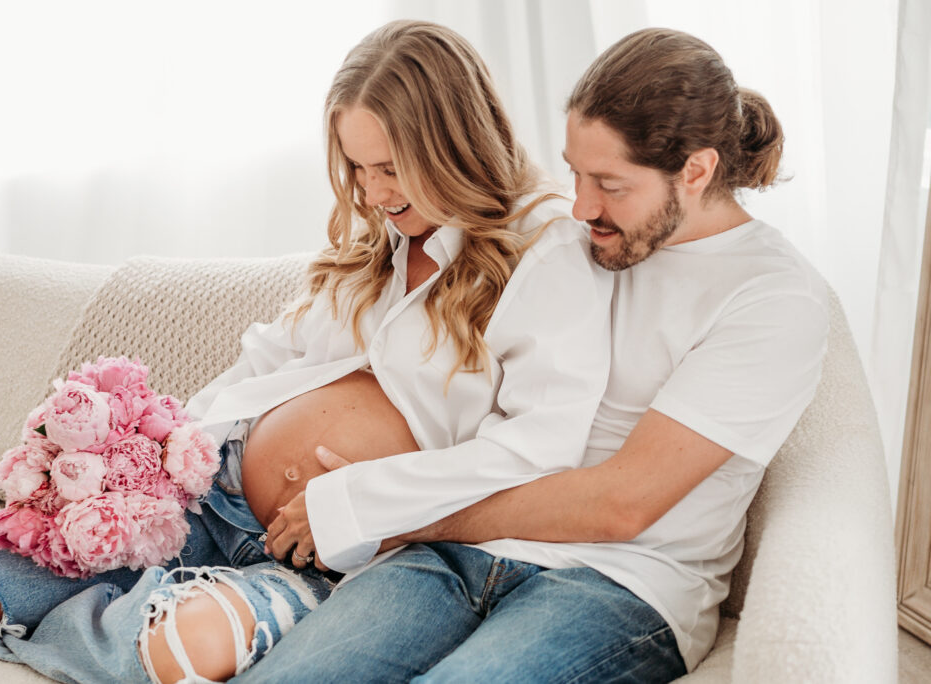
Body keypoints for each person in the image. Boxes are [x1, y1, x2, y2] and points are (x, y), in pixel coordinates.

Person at [0, 20, 612, 684]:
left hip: (328, 556)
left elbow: (533, 447)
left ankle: (54, 610)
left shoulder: (541, 250)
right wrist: (161, 459)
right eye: (357, 167)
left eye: (390, 168)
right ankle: (3, 594)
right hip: (213, 493)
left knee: (178, 652)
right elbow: (265, 362)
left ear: (454, 147)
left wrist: (358, 502)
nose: (371, 191)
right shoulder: (375, 246)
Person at [244, 27, 830, 683]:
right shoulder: (573, 242)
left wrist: (382, 510)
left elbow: (621, 505)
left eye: (608, 184)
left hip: (620, 582)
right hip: (455, 553)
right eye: (576, 172)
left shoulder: (773, 299)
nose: (579, 206)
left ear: (696, 171)